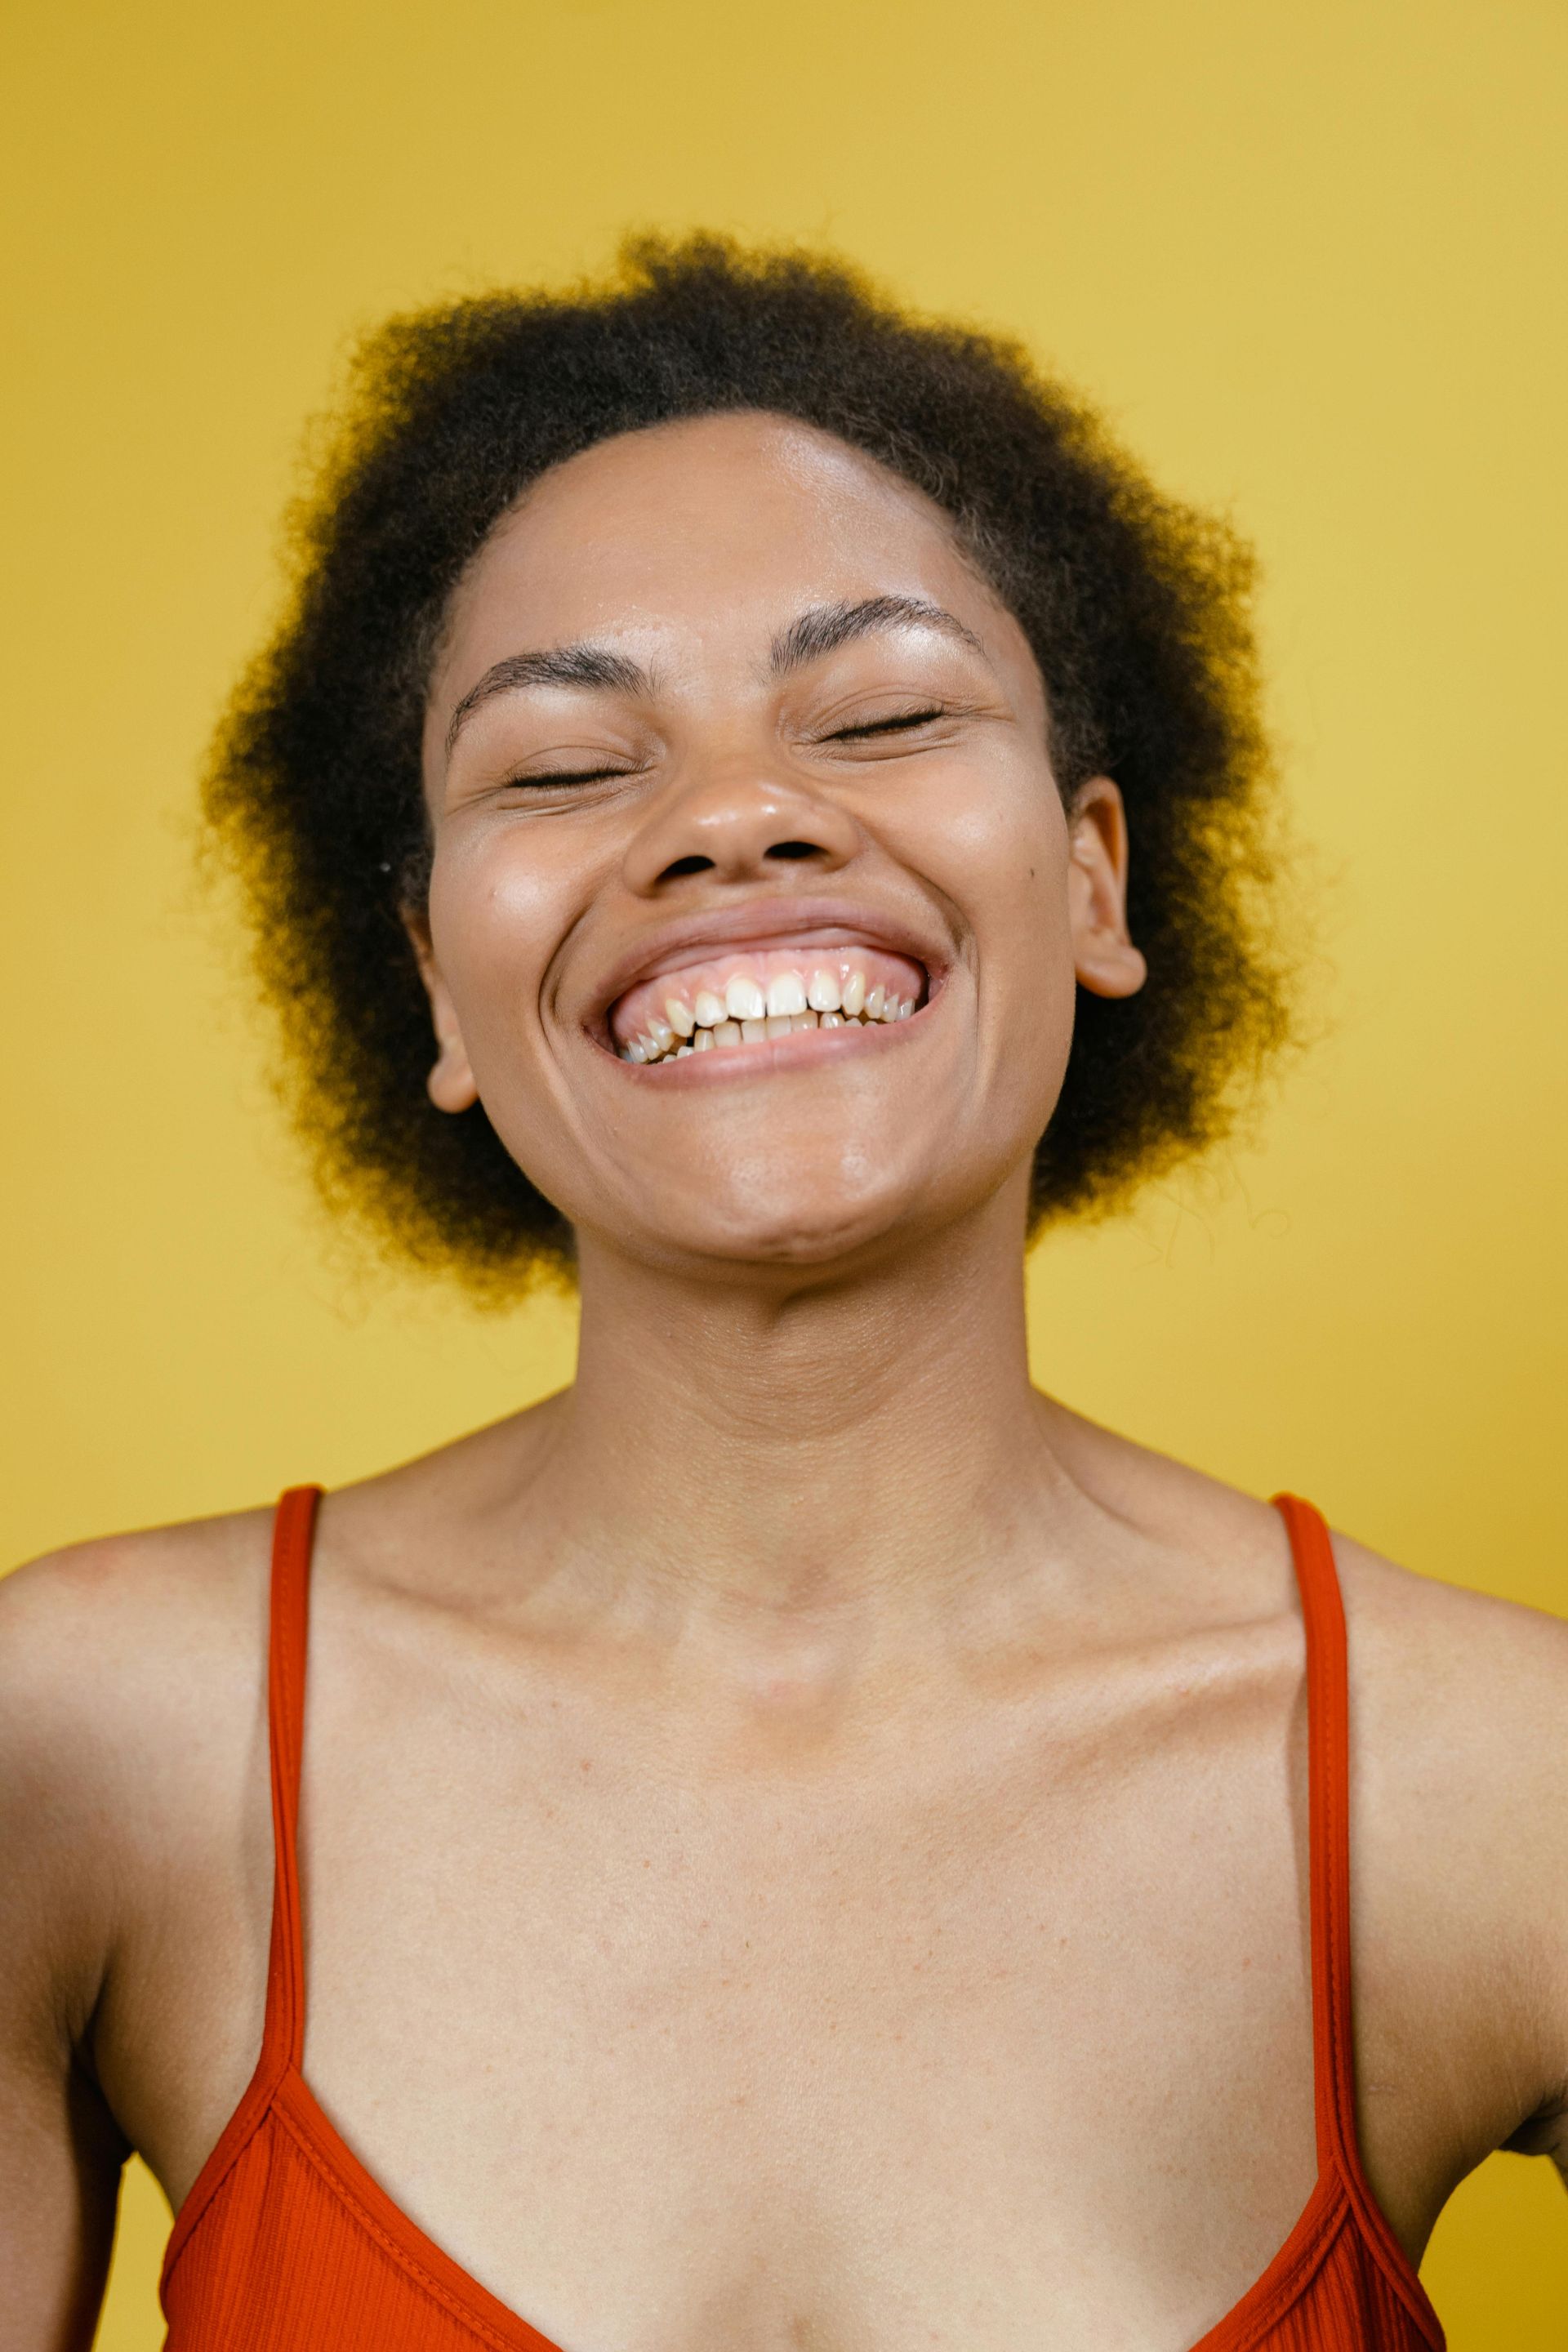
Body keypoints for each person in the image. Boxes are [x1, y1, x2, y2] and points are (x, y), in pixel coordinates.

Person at [2, 238, 1563, 2352]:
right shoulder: (86, 1751)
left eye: (886, 713)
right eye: (563, 767)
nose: (734, 818)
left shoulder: (1495, 1790)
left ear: (1093, 878)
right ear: (430, 985)